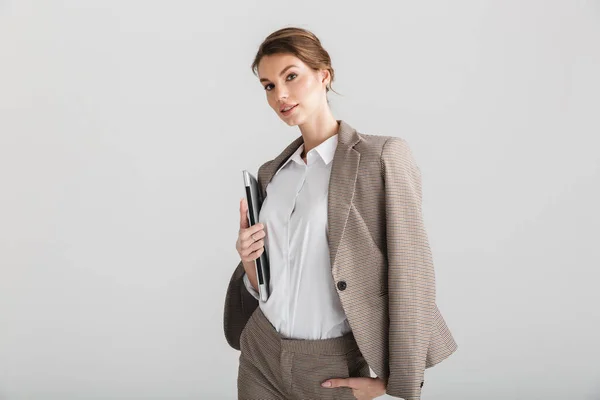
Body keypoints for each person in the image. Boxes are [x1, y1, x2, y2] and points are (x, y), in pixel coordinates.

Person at [224, 27, 458, 400]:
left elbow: (411, 272)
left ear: (323, 74)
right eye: (268, 85)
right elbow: (270, 281)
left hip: (330, 364)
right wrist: (249, 259)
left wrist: (396, 381)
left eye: (291, 76)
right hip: (262, 353)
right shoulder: (273, 173)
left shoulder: (381, 158)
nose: (280, 94)